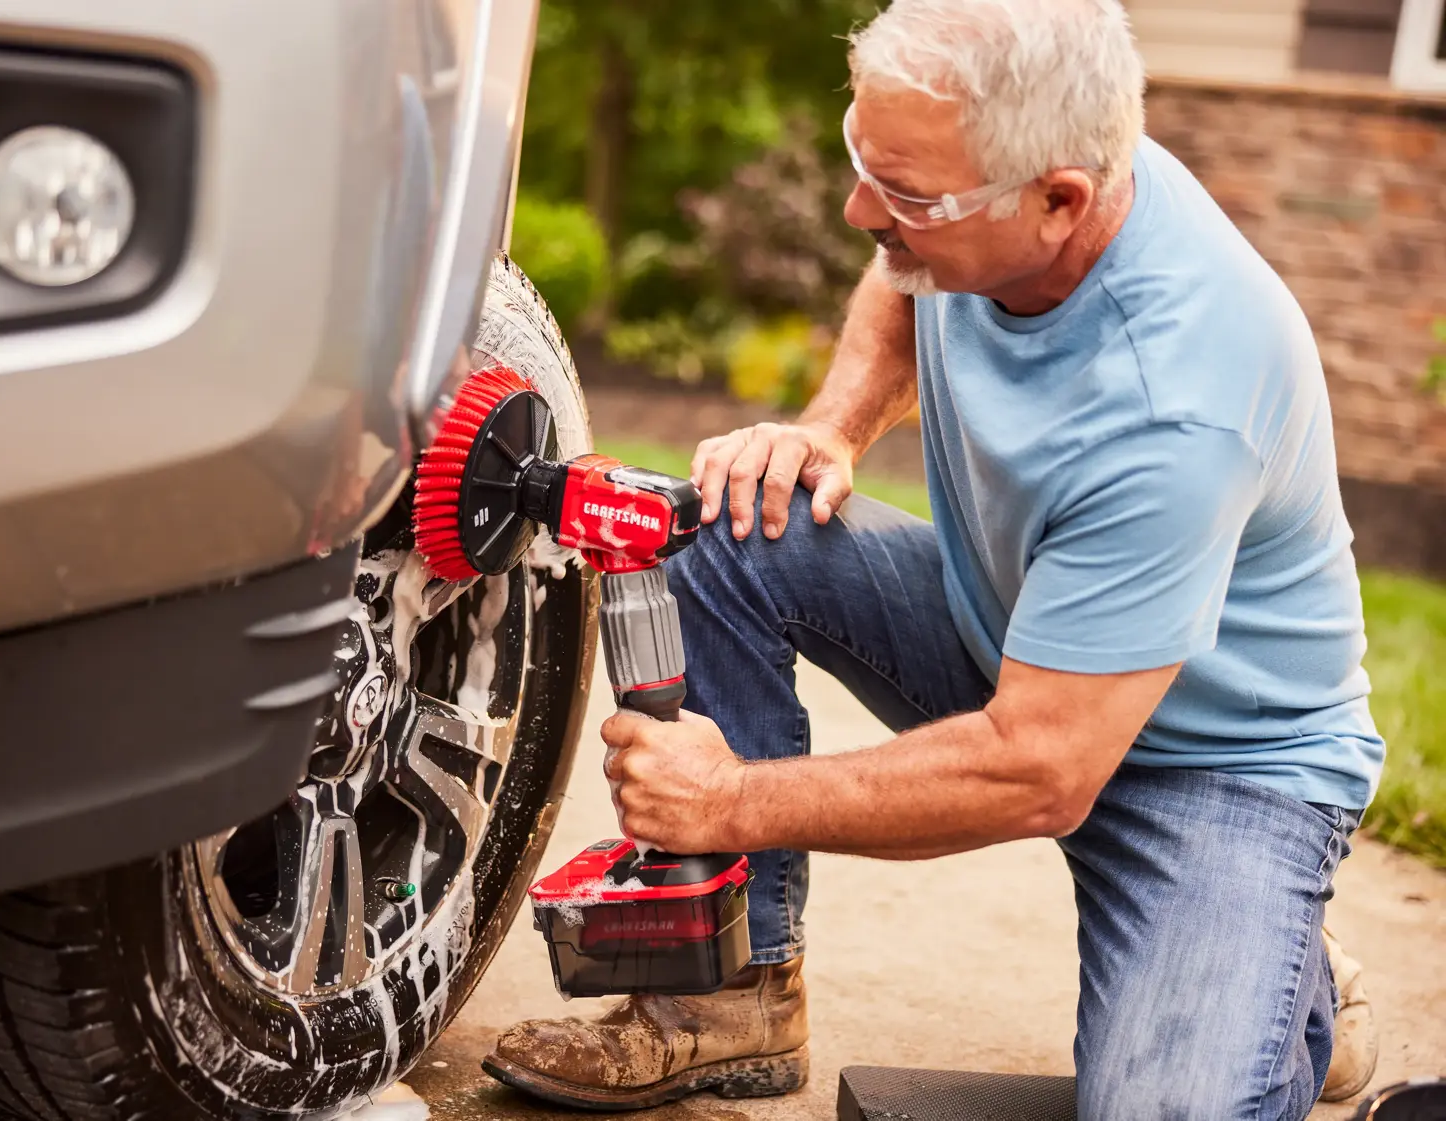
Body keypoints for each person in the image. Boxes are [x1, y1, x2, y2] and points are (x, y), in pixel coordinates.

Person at [482, 0, 1386, 1117]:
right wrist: (830, 428)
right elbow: (901, 277)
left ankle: (1276, 961)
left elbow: (1040, 769)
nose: (865, 210)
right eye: (868, 162)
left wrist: (730, 800)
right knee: (724, 519)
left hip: (1216, 766)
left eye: (906, 195)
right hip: (1011, 632)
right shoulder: (1008, 178)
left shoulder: (1182, 401)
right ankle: (730, 995)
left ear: (1062, 200)